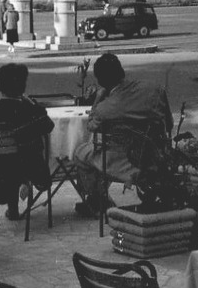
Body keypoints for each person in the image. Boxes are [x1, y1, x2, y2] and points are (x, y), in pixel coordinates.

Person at [72, 53, 172, 215]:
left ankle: (98, 200)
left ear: (101, 82)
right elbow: (169, 123)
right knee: (99, 151)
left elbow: (91, 126)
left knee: (81, 153)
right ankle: (100, 198)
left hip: (125, 162)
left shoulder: (105, 108)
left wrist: (98, 97)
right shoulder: (154, 90)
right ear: (121, 71)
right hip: (156, 156)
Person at [0, 63, 53, 221]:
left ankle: (15, 205)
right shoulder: (28, 111)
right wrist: (32, 105)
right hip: (21, 170)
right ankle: (27, 182)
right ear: (23, 86)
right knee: (30, 144)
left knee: (12, 155)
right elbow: (48, 125)